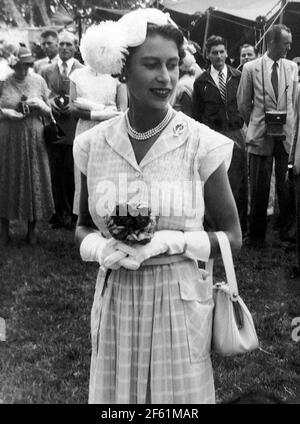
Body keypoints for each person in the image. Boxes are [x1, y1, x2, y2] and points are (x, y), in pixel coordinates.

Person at [73, 9, 241, 404]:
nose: (165, 78)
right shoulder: (92, 145)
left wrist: (171, 242)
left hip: (178, 305)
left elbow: (233, 237)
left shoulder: (200, 142)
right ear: (123, 70)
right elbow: (81, 226)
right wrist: (101, 248)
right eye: (151, 65)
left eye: (171, 65)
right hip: (115, 302)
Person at [237, 24, 298, 247]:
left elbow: (292, 102)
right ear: (272, 43)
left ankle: (286, 232)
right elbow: (243, 103)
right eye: (286, 43)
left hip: (285, 137)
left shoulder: (291, 67)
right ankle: (256, 235)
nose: (289, 48)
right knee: (260, 187)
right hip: (261, 135)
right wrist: (256, 122)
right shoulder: (251, 68)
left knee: (285, 187)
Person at [192, 35, 248, 234]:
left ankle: (238, 226)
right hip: (214, 135)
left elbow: (246, 104)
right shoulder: (201, 82)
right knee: (215, 180)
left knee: (238, 179)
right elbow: (197, 114)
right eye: (214, 52)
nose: (218, 56)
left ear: (227, 53)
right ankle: (213, 225)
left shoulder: (238, 76)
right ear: (208, 55)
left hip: (236, 133)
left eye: (221, 51)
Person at [69, 28, 128, 215]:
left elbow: (122, 108)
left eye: (104, 50)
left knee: (106, 174)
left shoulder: (116, 76)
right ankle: (84, 220)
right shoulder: (77, 75)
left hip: (110, 131)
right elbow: (72, 107)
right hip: (85, 129)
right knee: (83, 172)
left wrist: (109, 116)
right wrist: (97, 114)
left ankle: (108, 217)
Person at [0, 47, 54, 245]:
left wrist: (41, 107)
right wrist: (6, 113)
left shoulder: (38, 81)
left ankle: (32, 229)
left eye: (27, 66)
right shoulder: (3, 82)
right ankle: (4, 229)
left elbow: (50, 112)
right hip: (9, 137)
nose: (24, 70)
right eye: (20, 66)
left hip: (34, 136)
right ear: (13, 64)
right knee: (7, 178)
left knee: (33, 178)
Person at [42, 31, 83, 229]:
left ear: (76, 47)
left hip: (74, 125)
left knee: (72, 169)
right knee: (55, 169)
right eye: (62, 44)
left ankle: (74, 213)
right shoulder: (47, 70)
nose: (65, 48)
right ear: (58, 46)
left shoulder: (81, 70)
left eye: (69, 44)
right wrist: (50, 102)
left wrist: (73, 105)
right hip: (53, 123)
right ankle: (59, 213)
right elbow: (42, 93)